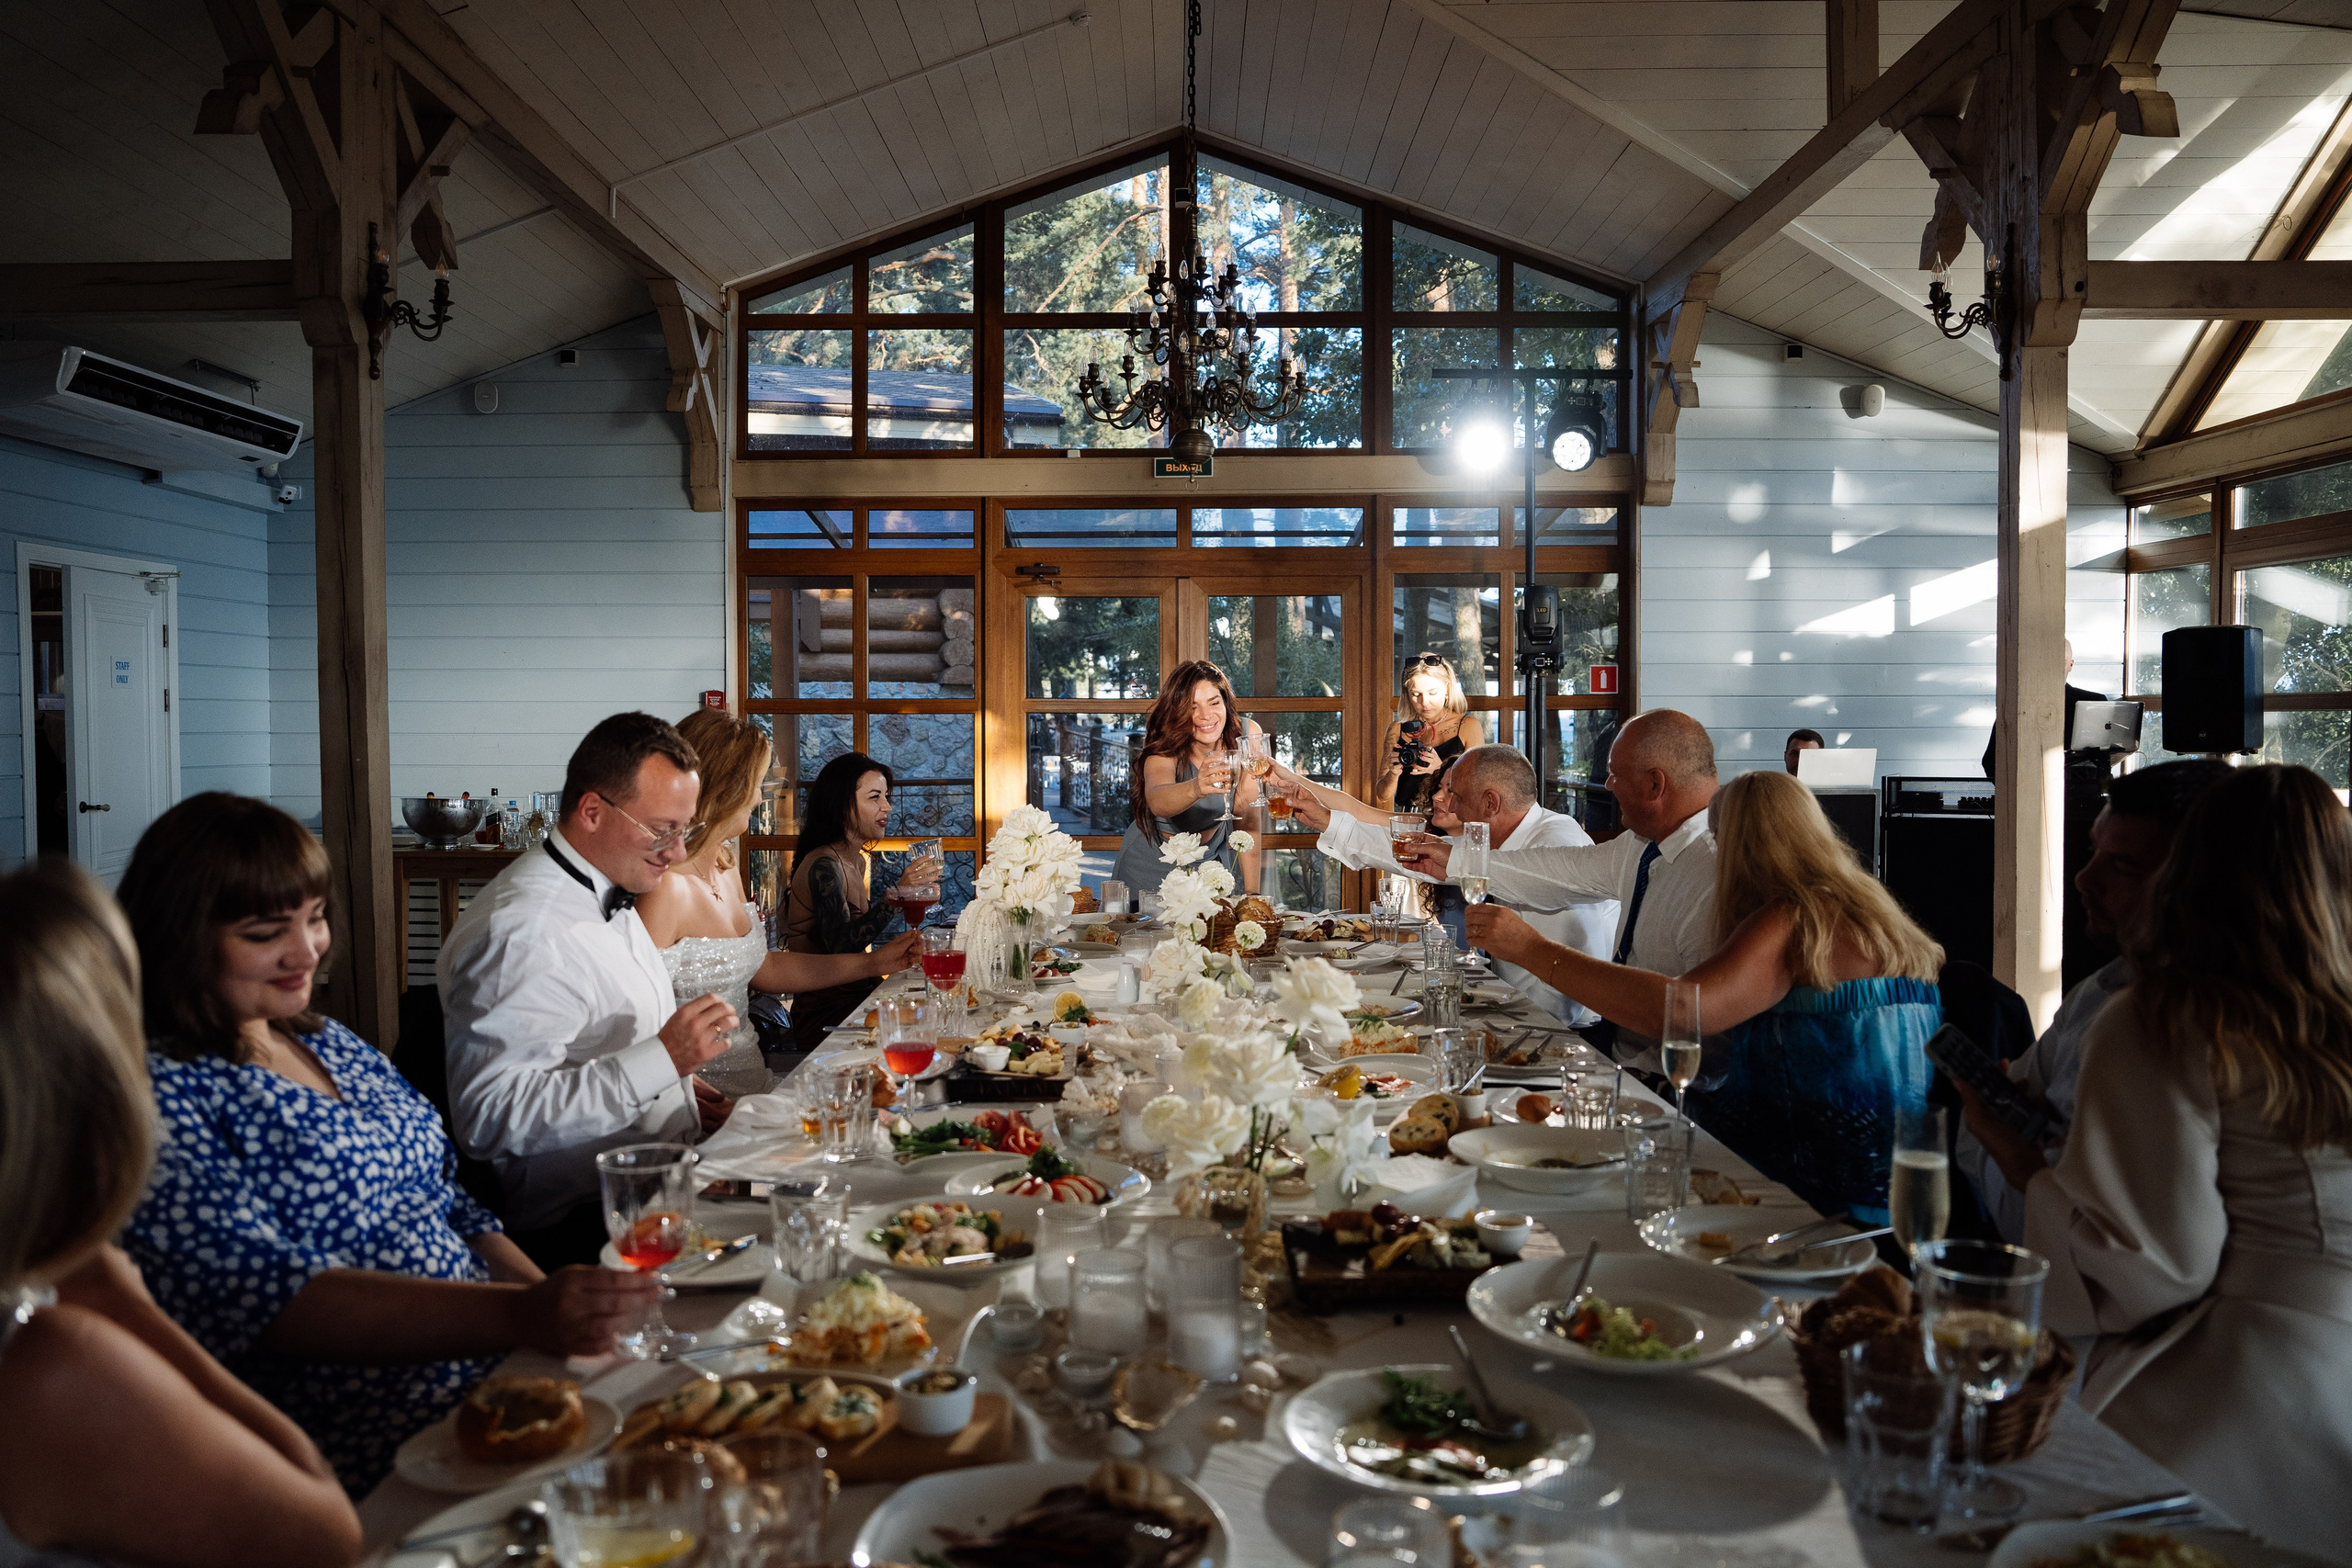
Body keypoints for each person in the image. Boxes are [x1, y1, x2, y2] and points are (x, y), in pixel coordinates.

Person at [110, 793, 660, 1495]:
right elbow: (269, 1297)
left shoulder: (325, 1040)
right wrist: (518, 1318)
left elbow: (455, 1208)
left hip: (491, 1381)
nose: (307, 948)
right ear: (175, 937)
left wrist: (552, 1317)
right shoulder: (159, 1093)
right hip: (367, 1441)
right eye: (264, 932)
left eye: (314, 919)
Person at [1972, 764, 2352, 1552]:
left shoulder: (2165, 1017)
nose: (2085, 880)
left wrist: (2025, 1167)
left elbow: (2148, 1267)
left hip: (2247, 1384)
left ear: (2191, 868)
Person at [443, 713, 909, 1265]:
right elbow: (489, 1119)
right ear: (592, 811)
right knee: (825, 1252)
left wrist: (680, 1087)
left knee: (865, 1199)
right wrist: (662, 1062)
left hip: (678, 1167)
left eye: (684, 827)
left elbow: (620, 1036)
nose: (675, 851)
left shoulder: (609, 888)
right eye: (661, 828)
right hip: (593, 1217)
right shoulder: (525, 930)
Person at [0, 858, 362, 1564]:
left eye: (315, 918)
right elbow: (325, 1536)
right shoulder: (47, 1358)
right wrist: (124, 1304)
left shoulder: (323, 1039)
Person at [1467, 769, 1945, 1222]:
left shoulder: (1796, 917)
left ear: (1741, 844)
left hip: (1813, 1178)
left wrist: (1533, 949)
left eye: (1718, 839)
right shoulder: (1874, 914)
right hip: (1900, 1167)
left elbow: (1683, 1012)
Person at [1954, 758, 2232, 1240]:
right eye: (2093, 852)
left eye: (2121, 866)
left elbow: (2122, 1264)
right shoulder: (2102, 990)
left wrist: (2019, 1159)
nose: (2083, 879)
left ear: (2198, 884)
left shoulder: (2159, 1026)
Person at [1397, 709, 1721, 1064]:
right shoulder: (1641, 845)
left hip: (1674, 1079)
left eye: (1615, 775)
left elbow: (1691, 1014)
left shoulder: (1713, 869)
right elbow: (1556, 871)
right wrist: (1454, 860)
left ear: (1655, 784)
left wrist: (1529, 948)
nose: (1608, 786)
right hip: (1621, 1059)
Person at [638, 714, 925, 1090]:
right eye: (757, 784)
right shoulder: (663, 888)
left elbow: (767, 969)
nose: (760, 797)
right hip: (695, 1098)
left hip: (751, 1080)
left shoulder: (725, 868)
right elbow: (632, 1020)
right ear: (725, 786)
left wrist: (875, 961)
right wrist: (680, 1087)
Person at [1294, 746, 1615, 1025]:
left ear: (1490, 803)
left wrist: (1493, 1024)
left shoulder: (1556, 840)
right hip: (1514, 1010)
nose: (1453, 807)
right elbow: (1416, 856)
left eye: (1457, 797)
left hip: (1556, 1030)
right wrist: (1326, 820)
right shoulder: (1491, 841)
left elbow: (1563, 998)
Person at [781, 752, 943, 1052]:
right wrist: (898, 896)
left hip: (858, 998)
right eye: (875, 797)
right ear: (842, 805)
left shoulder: (855, 860)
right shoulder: (823, 865)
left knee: (939, 1010)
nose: (887, 806)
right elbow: (842, 946)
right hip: (826, 1015)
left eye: (886, 796)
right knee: (928, 1031)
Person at [1111, 660, 1263, 896]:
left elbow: (1248, 821)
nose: (1206, 715)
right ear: (1178, 712)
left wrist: (1253, 895)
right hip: (1152, 863)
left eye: (1214, 702)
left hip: (1211, 861)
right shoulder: (1166, 745)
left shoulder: (1246, 734)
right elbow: (1157, 800)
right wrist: (1196, 787)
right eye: (1192, 707)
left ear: (1226, 702)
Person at [1374, 653, 1486, 814]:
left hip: (1452, 821)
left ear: (1447, 689)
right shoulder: (1397, 729)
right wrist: (1393, 774)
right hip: (1408, 822)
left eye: (1432, 693)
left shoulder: (1468, 726)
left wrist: (1440, 769)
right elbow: (1383, 795)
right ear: (1407, 693)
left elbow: (1477, 788)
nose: (1424, 702)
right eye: (1416, 694)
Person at [1981, 637, 2103, 780]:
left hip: (2083, 795)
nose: (2054, 667)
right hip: (2030, 795)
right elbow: (1992, 760)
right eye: (2049, 661)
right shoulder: (2016, 707)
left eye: (2061, 662)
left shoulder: (2094, 702)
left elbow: (2106, 758)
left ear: (2071, 665)